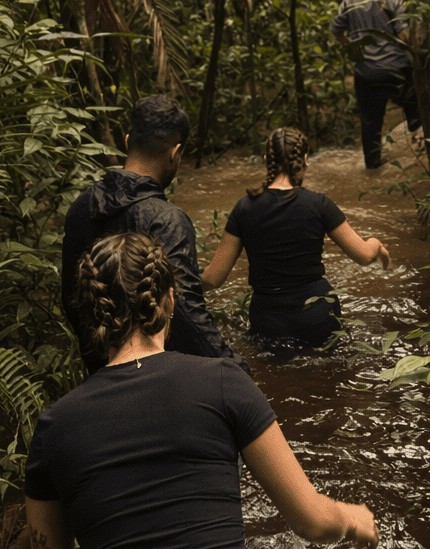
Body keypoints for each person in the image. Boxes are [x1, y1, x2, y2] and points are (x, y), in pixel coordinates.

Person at [26, 233, 379, 549]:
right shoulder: (224, 382)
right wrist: (351, 519)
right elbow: (313, 523)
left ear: (91, 313)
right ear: (169, 299)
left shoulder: (53, 427)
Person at [61, 94, 249, 376]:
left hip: (102, 372)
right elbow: (186, 315)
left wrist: (99, 368)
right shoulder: (167, 220)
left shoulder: (80, 208)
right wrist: (236, 370)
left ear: (127, 141)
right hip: (159, 377)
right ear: (175, 153)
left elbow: (72, 300)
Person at [201, 127, 390, 348]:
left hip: (268, 318)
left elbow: (213, 278)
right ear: (305, 159)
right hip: (318, 314)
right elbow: (365, 256)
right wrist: (377, 245)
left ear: (265, 159)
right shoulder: (318, 204)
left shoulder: (244, 208)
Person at [330, 0, 421, 169]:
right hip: (397, 69)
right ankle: (421, 158)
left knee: (371, 123)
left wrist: (351, 47)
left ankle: (372, 165)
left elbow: (336, 30)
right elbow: (404, 36)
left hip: (366, 71)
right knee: (417, 114)